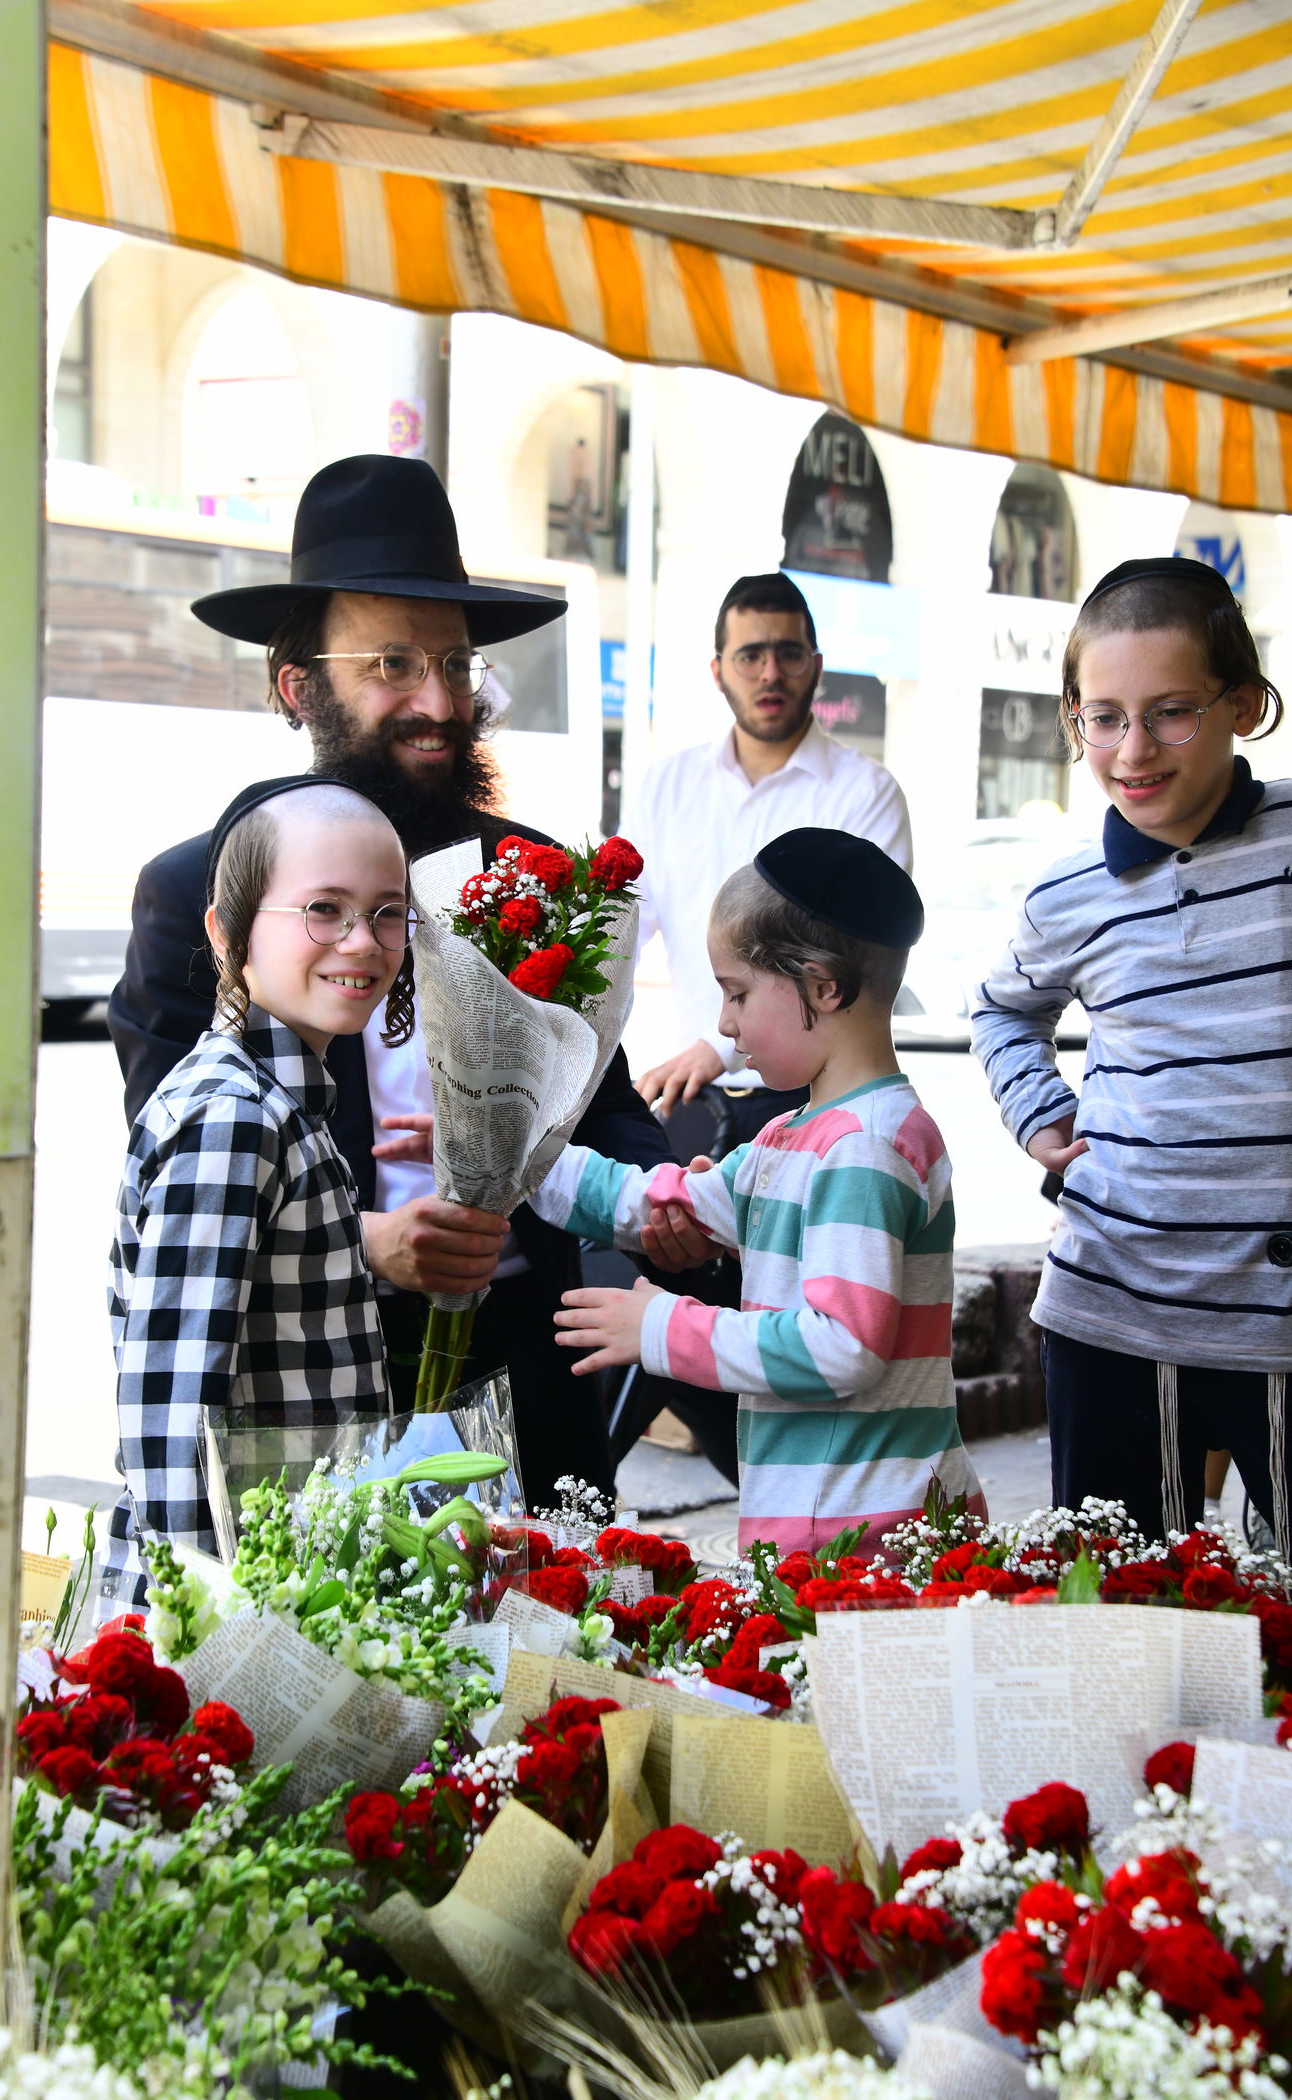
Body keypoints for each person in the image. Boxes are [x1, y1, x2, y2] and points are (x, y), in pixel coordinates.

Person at [107, 454, 707, 1511]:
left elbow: (600, 1105)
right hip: (313, 1374)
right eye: (391, 664)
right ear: (298, 687)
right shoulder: (191, 894)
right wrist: (368, 1242)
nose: (437, 702)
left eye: (455, 664)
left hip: (527, 1363)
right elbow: (179, 1174)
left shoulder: (540, 881)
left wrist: (654, 1199)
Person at [530, 828, 983, 1558]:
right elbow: (657, 1202)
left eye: (737, 992)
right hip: (818, 1523)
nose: (723, 1023)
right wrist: (508, 1159)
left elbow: (842, 1346)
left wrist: (662, 1330)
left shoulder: (865, 1147)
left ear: (822, 986)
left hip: (870, 1537)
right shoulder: (790, 1138)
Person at [972, 555, 1291, 1555]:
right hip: (1107, 1311)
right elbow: (997, 1012)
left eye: (1170, 712)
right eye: (1101, 716)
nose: (1131, 748)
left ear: (1239, 704)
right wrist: (1037, 1111)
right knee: (1117, 1619)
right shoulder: (1060, 898)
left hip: (1277, 1319)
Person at [611, 569, 914, 1478]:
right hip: (690, 1109)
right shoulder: (664, 787)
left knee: (798, 1340)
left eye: (788, 651)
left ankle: (785, 1504)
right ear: (718, 669)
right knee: (625, 1260)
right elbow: (616, 950)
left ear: (817, 664)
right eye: (752, 653)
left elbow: (842, 964)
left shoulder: (865, 791)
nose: (771, 670)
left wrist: (716, 1037)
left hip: (821, 1113)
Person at [104, 779, 408, 1601]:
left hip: (285, 1580)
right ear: (227, 930)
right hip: (223, 1612)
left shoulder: (287, 1100)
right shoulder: (234, 1116)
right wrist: (205, 1626)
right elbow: (171, 1417)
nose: (363, 942)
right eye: (323, 909)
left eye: (388, 912)